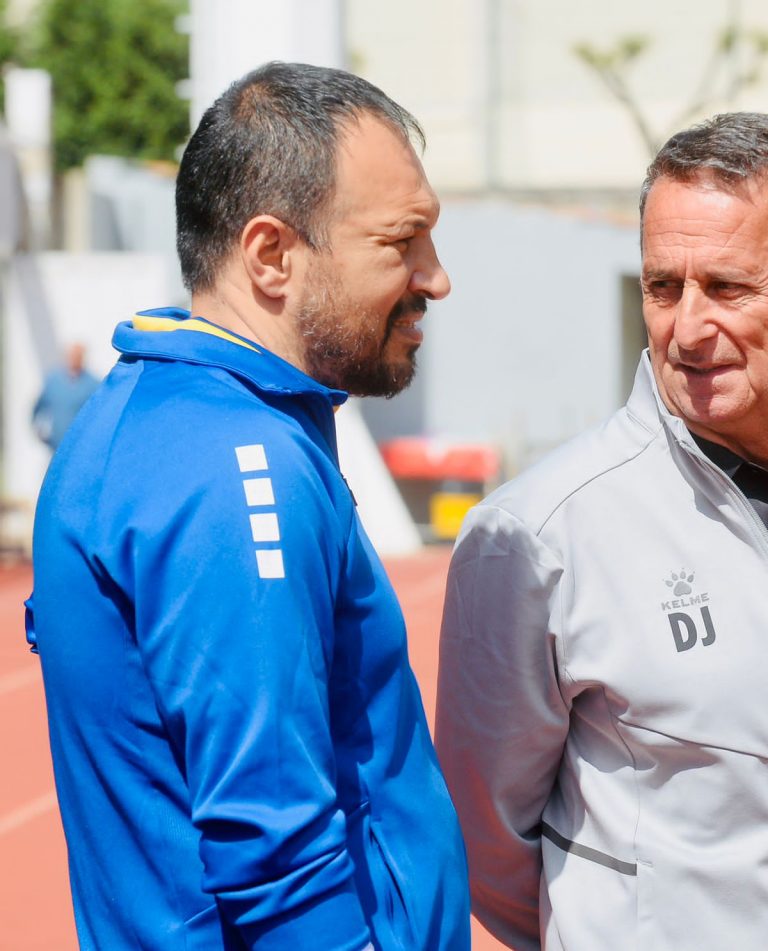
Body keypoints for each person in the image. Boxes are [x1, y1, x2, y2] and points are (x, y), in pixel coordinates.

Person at [435, 113, 768, 950]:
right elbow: (487, 840)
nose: (686, 328)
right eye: (663, 286)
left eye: (727, 287)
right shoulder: (541, 532)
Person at [27, 62, 469, 951]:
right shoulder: (236, 463)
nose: (436, 276)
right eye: (402, 241)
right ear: (271, 255)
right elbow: (275, 842)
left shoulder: (166, 416)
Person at [30, 341, 99, 451]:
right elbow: (39, 406)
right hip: (56, 445)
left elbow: (99, 415)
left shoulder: (93, 384)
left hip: (80, 447)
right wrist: (39, 430)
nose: (74, 359)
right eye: (72, 355)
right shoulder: (53, 380)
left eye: (78, 356)